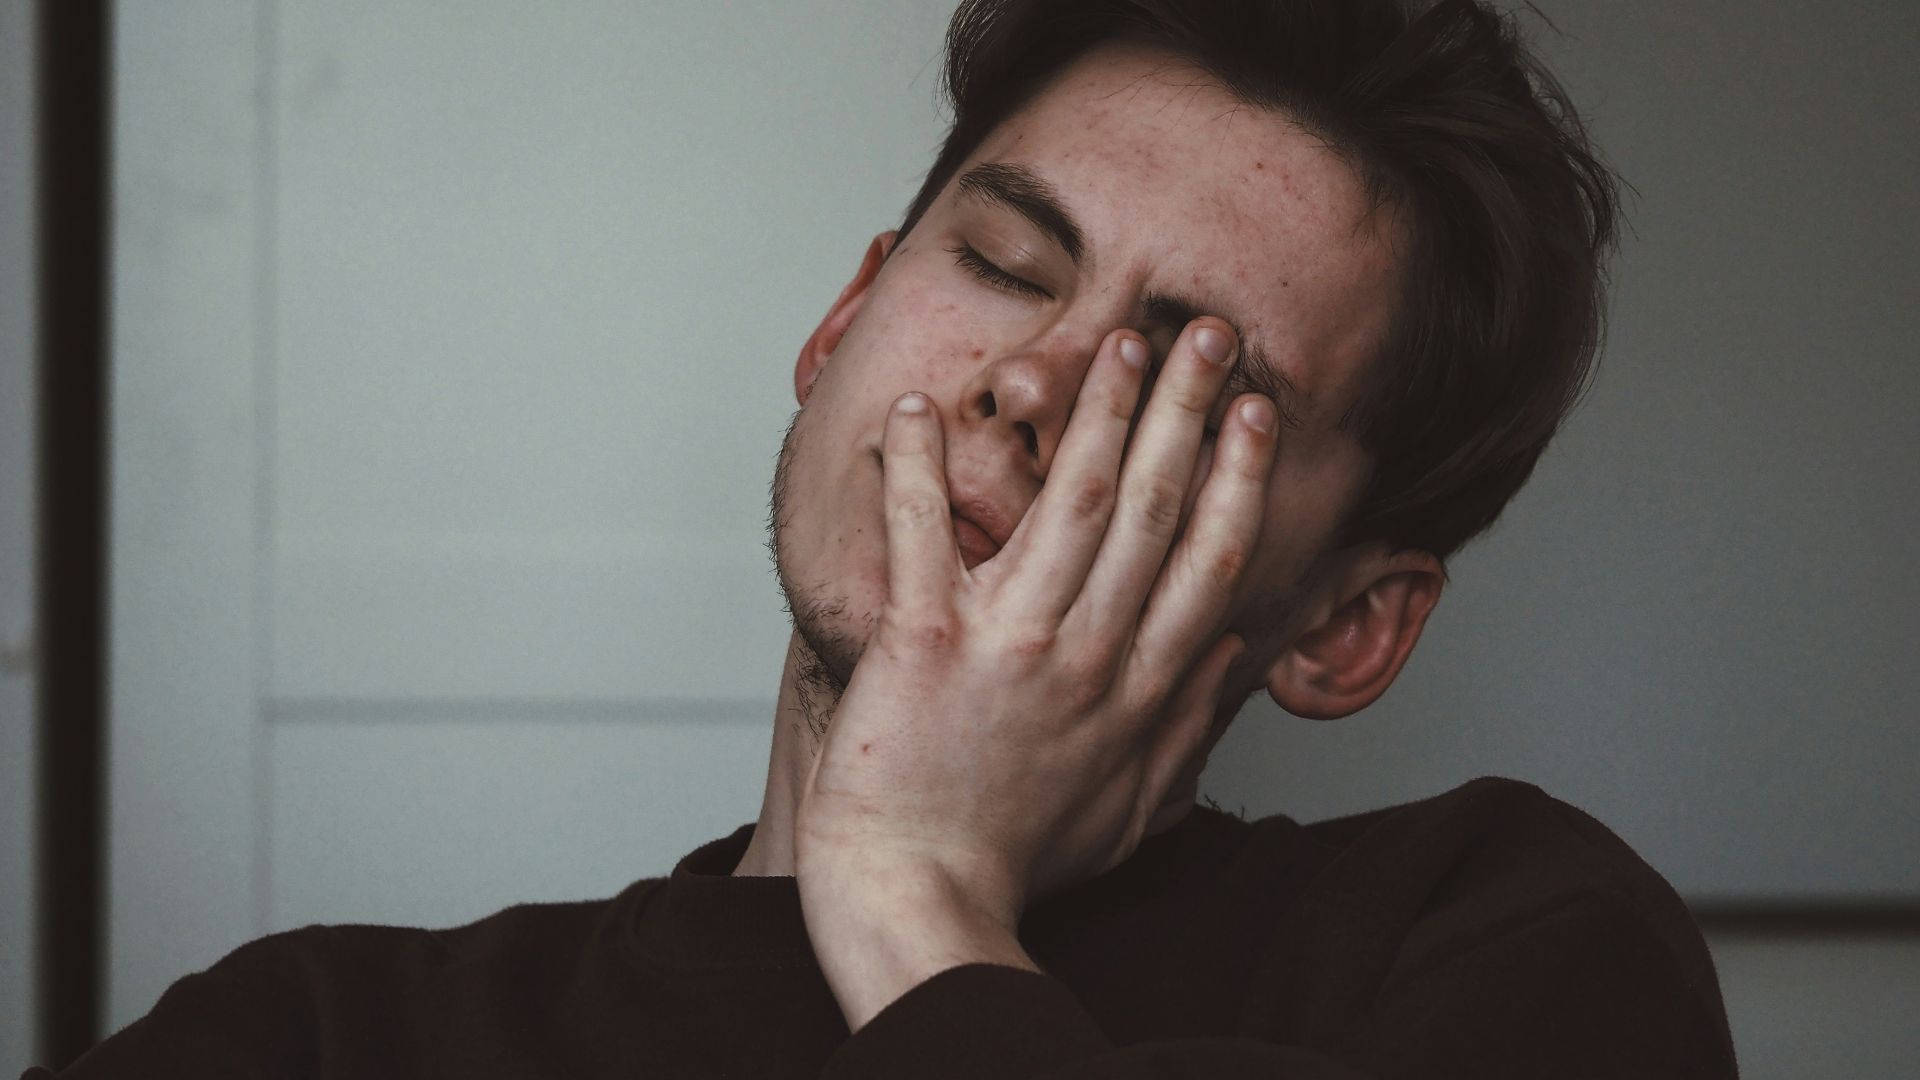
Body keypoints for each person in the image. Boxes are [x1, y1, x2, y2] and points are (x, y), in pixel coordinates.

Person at [32, 1, 1741, 1077]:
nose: (1027, 383)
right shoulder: (326, 1037)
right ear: (849, 311)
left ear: (1347, 625)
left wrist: (916, 893)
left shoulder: (1508, 953)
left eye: (1186, 386)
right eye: (1002, 264)